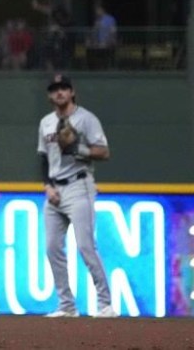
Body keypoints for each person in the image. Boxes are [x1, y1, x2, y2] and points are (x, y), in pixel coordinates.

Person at [38, 74, 116, 318]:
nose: (59, 92)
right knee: (52, 247)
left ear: (72, 92)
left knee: (85, 246)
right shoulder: (46, 123)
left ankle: (105, 304)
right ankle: (67, 306)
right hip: (55, 190)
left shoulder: (86, 119)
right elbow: (43, 156)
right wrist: (47, 186)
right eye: (55, 89)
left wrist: (78, 149)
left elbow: (104, 152)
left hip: (78, 185)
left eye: (64, 88)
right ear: (50, 95)